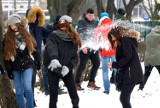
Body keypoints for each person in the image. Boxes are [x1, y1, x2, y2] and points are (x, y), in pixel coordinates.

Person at [44, 15, 82, 108]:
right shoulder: (53, 35)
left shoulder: (74, 38)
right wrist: (54, 59)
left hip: (66, 69)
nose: (62, 26)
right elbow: (51, 47)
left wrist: (68, 67)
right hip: (54, 67)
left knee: (74, 96)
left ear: (69, 24)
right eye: (60, 23)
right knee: (53, 97)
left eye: (64, 23)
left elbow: (75, 58)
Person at [3, 14, 40, 108]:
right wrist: (9, 69)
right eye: (11, 26)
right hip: (15, 66)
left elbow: (34, 49)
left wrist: (38, 61)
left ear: (19, 24)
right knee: (19, 90)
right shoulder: (7, 38)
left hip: (27, 64)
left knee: (27, 87)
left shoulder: (26, 34)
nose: (13, 27)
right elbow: (6, 55)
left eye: (15, 25)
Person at [108, 26, 143, 108]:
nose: (112, 39)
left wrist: (114, 64)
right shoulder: (124, 41)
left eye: (113, 36)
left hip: (131, 73)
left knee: (123, 98)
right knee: (126, 98)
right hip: (129, 73)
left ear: (117, 34)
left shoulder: (125, 40)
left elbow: (127, 57)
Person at [26, 6, 51, 98]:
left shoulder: (39, 27)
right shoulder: (25, 27)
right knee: (27, 81)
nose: (34, 18)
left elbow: (50, 34)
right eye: (32, 16)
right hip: (25, 57)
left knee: (32, 80)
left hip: (36, 57)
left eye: (36, 16)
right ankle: (28, 99)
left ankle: (31, 100)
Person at [75, 8, 100, 90]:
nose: (91, 17)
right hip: (85, 47)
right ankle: (76, 83)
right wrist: (83, 46)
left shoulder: (95, 22)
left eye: (92, 15)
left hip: (93, 47)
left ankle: (91, 82)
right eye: (89, 15)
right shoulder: (82, 22)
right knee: (82, 65)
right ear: (86, 14)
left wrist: (98, 45)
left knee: (97, 63)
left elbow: (97, 34)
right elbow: (80, 34)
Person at [94, 12, 116, 94]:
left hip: (104, 52)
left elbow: (96, 40)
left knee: (105, 71)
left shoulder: (99, 28)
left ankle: (107, 89)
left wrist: (99, 48)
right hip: (114, 51)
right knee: (116, 67)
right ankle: (117, 83)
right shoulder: (113, 26)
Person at [139, 26, 160, 90]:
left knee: (146, 74)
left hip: (148, 58)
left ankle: (141, 87)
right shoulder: (158, 36)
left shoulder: (148, 36)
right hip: (157, 58)